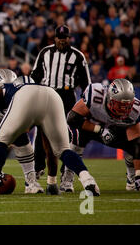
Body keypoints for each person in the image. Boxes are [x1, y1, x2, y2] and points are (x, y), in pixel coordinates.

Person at [0, 77, 100, 198]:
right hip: (53, 94)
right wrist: (51, 181)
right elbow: (49, 150)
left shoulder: (8, 88)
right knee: (62, 150)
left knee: (0, 141)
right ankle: (88, 180)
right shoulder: (34, 90)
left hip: (26, 96)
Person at [30, 24, 91, 194]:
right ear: (54, 38)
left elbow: (86, 83)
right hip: (46, 94)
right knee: (40, 132)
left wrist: (86, 103)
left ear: (69, 38)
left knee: (68, 133)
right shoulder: (45, 52)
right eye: (59, 38)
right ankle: (38, 168)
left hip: (66, 97)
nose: (61, 41)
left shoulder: (78, 56)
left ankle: (66, 173)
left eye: (64, 38)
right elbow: (35, 76)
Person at [64, 78, 140, 192]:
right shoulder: (95, 96)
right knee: (76, 143)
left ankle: (133, 181)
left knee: (133, 147)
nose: (124, 108)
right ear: (110, 99)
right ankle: (67, 179)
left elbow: (136, 142)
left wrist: (139, 175)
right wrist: (100, 130)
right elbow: (72, 118)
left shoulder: (136, 110)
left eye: (127, 105)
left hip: (114, 131)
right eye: (120, 104)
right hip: (90, 127)